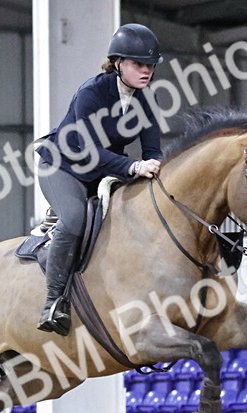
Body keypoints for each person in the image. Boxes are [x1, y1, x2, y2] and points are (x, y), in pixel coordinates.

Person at [34, 23, 165, 336]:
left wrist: (158, 169)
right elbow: (88, 151)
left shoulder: (144, 101)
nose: (146, 71)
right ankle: (53, 301)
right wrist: (134, 168)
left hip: (102, 172)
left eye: (150, 66)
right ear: (118, 63)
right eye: (138, 65)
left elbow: (153, 149)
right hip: (63, 168)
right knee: (75, 217)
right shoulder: (92, 93)